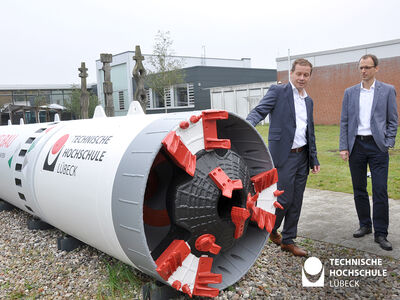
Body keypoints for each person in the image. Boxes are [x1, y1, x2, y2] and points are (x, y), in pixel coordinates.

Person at [246, 58, 320, 257]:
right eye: (299, 74)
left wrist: (314, 158)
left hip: (303, 156)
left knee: (297, 200)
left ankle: (288, 240)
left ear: (310, 76)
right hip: (284, 155)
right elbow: (260, 111)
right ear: (291, 73)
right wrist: (247, 125)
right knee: (284, 199)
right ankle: (269, 229)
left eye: (306, 75)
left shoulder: (308, 100)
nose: (302, 78)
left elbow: (309, 131)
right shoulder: (279, 92)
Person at [339, 54, 398, 251]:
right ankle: (365, 224)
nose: (363, 71)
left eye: (367, 67)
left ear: (376, 68)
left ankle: (381, 233)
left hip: (377, 146)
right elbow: (345, 121)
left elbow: (393, 120)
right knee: (359, 188)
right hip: (356, 146)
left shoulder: (388, 90)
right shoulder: (350, 92)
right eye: (361, 67)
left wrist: (388, 142)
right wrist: (344, 146)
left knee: (379, 189)